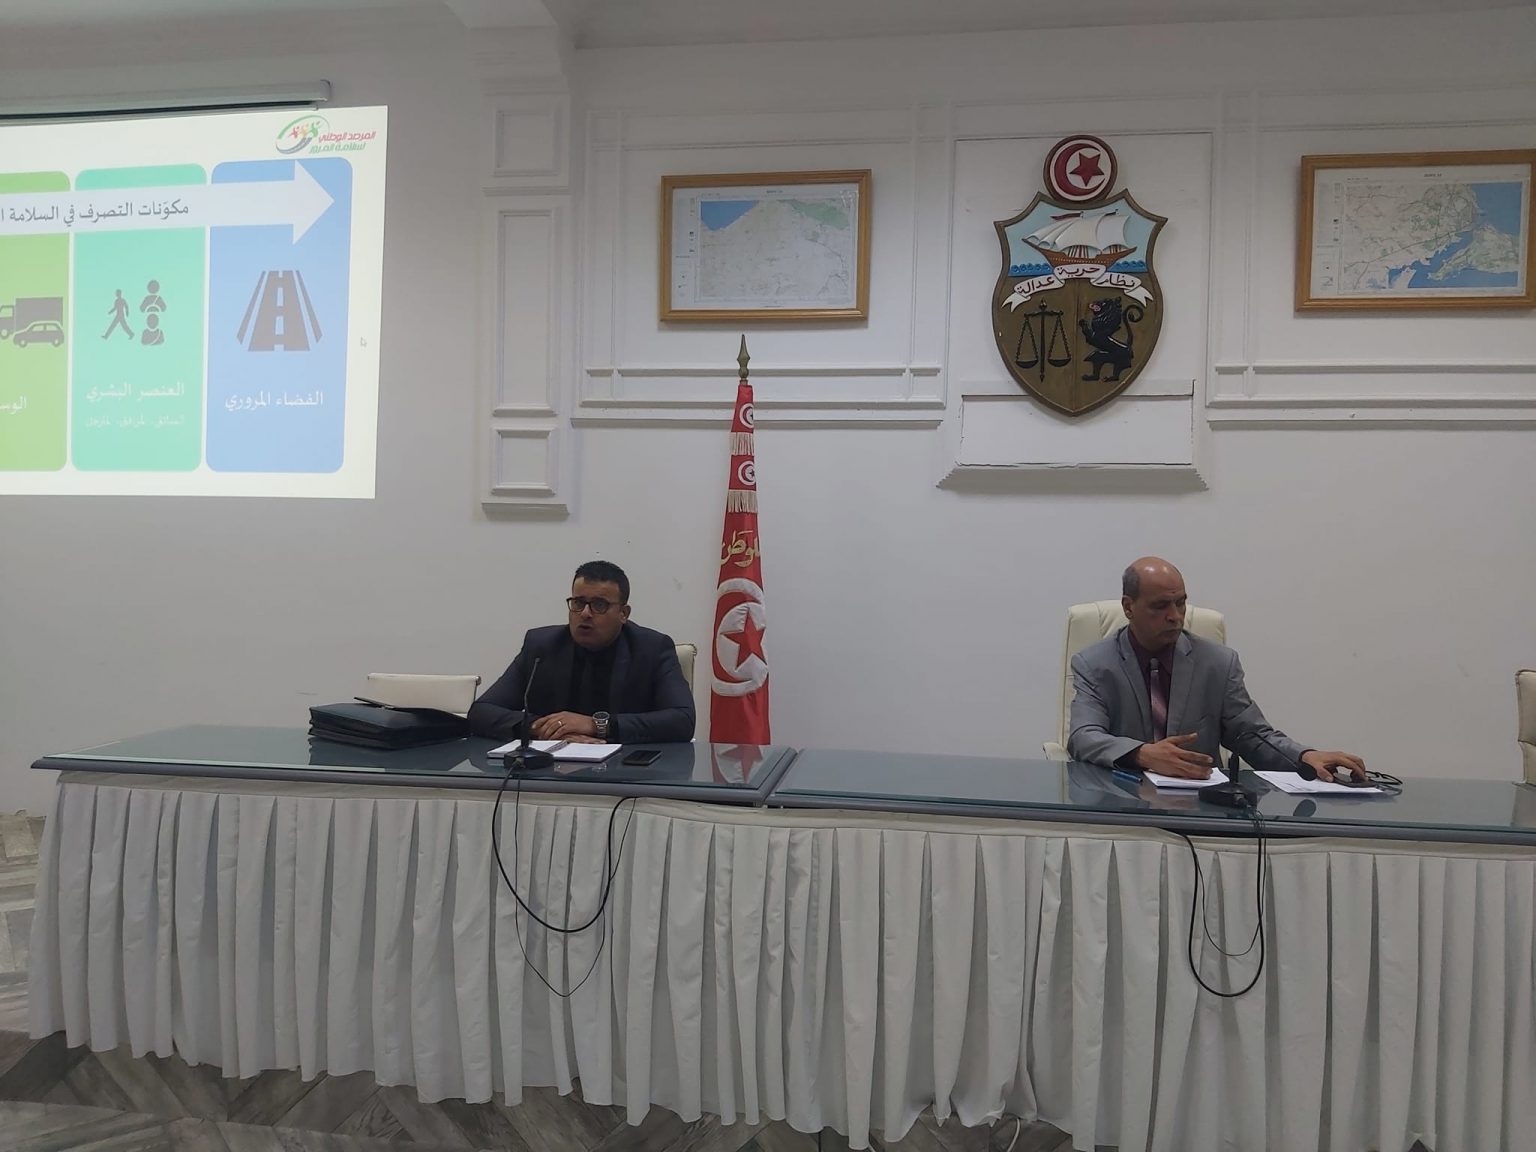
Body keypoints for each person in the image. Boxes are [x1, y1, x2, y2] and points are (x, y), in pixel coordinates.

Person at [1067, 556, 1365, 782]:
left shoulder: (1218, 663)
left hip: (1199, 804)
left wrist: (1303, 756)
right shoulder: (1095, 664)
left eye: (1180, 603)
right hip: (1123, 800)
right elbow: (1083, 737)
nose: (1175, 616)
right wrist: (1143, 754)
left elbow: (1251, 735)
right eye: (1160, 606)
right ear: (1129, 607)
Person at [468, 560, 695, 744]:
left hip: (626, 772)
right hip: (550, 769)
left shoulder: (652, 649)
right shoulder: (541, 646)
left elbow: (682, 720)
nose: (585, 613)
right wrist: (546, 728)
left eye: (599, 605)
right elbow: (482, 711)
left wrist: (596, 725)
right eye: (578, 603)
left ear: (623, 613)